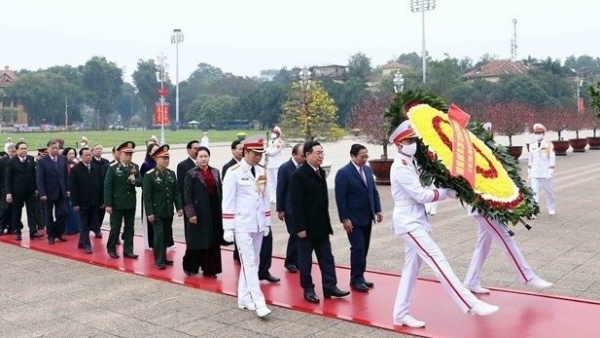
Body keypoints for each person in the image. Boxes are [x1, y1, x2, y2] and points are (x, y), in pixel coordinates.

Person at [388, 120, 499, 328]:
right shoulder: (400, 167)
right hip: (408, 222)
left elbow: (428, 180)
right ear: (398, 144)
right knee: (438, 260)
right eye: (408, 140)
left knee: (411, 268)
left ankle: (400, 313)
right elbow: (421, 195)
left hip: (415, 220)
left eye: (413, 139)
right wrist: (446, 193)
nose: (412, 143)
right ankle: (470, 303)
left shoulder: (411, 161)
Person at [291, 140, 350, 304]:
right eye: (318, 153)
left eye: (322, 153)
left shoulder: (321, 172)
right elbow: (296, 204)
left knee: (327, 257)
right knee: (305, 261)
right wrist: (300, 227)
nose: (321, 156)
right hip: (306, 228)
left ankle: (330, 286)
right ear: (308, 154)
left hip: (321, 225)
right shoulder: (299, 175)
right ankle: (308, 289)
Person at [221, 135, 272, 318]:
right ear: (246, 152)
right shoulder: (233, 172)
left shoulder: (261, 170)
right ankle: (259, 302)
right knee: (249, 263)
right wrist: (227, 228)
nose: (258, 157)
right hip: (241, 224)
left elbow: (265, 198)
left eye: (260, 154)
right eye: (255, 154)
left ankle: (243, 298)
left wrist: (267, 222)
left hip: (258, 223)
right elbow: (227, 201)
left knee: (253, 262)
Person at [463, 206, 553, 294]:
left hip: (486, 205)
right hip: (483, 207)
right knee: (505, 239)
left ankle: (471, 281)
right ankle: (527, 276)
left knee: (483, 244)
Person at [334, 144, 383, 293]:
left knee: (364, 249)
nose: (365, 159)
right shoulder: (343, 173)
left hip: (367, 217)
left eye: (366, 156)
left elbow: (373, 192)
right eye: (362, 156)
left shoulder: (367, 170)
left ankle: (360, 276)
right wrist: (345, 219)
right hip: (353, 219)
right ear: (353, 156)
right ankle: (355, 280)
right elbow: (340, 199)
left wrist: (378, 210)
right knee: (358, 248)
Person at [183, 146, 223, 277]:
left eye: (206, 156)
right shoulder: (191, 174)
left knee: (212, 241)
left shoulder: (216, 172)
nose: (204, 159)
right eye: (201, 156)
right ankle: (191, 266)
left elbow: (220, 192)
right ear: (196, 158)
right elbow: (187, 196)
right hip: (199, 212)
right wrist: (191, 214)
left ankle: (210, 269)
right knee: (198, 240)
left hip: (214, 211)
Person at [143, 145, 183, 270]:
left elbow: (176, 193)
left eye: (167, 158)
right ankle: (159, 260)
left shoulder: (171, 174)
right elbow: (147, 196)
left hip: (168, 210)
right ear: (156, 158)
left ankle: (163, 257)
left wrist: (179, 207)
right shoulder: (149, 175)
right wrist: (149, 212)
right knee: (159, 235)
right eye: (163, 158)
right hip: (156, 211)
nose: (166, 160)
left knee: (166, 235)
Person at [104, 141, 142, 259]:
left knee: (129, 227)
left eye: (130, 154)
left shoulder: (135, 167)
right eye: (126, 154)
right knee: (115, 227)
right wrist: (108, 204)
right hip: (117, 203)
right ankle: (111, 248)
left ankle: (128, 250)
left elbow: (141, 182)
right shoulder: (113, 168)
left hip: (130, 203)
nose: (129, 157)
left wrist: (134, 181)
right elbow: (108, 186)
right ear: (120, 154)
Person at [5, 142, 44, 241]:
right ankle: (17, 231)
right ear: (17, 150)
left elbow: (34, 175)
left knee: (31, 211)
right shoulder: (11, 162)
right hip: (16, 192)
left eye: (25, 148)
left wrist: (36, 188)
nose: (24, 150)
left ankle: (33, 231)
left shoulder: (31, 159)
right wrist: (8, 193)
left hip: (30, 191)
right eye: (22, 149)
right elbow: (8, 179)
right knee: (17, 212)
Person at [276, 142, 305, 273]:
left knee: (303, 235)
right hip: (290, 208)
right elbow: (280, 189)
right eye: (302, 155)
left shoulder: (306, 167)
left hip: (303, 208)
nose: (304, 158)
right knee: (294, 234)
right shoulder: (285, 168)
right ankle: (290, 261)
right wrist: (280, 209)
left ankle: (299, 260)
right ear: (294, 154)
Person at [69, 147, 104, 254]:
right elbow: (73, 188)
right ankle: (87, 245)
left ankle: (81, 242)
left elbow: (100, 185)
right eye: (86, 155)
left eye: (90, 155)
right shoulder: (75, 169)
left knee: (89, 223)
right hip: (82, 202)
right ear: (80, 157)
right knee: (83, 224)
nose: (88, 157)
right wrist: (75, 203)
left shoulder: (96, 168)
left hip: (94, 202)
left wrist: (102, 201)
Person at [37, 139, 70, 245]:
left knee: (63, 213)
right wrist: (42, 193)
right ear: (48, 149)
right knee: (48, 216)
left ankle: (58, 232)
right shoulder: (42, 161)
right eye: (53, 148)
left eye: (57, 148)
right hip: (47, 193)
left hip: (61, 191)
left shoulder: (62, 159)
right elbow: (40, 178)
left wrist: (68, 189)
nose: (56, 150)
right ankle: (51, 236)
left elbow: (65, 175)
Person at [528, 123, 556, 215]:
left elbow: (552, 158)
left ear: (543, 134)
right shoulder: (532, 146)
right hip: (535, 173)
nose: (537, 134)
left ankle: (551, 208)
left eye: (539, 133)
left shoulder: (548, 145)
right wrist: (529, 172)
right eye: (536, 133)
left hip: (545, 173)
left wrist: (550, 172)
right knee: (534, 192)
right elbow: (530, 160)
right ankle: (534, 210)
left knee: (549, 192)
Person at [141, 143, 159, 250]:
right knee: (150, 220)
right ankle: (150, 243)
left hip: (160, 197)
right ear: (149, 152)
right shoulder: (146, 165)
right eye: (154, 150)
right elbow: (144, 182)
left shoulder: (161, 163)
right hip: (149, 196)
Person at [91, 144, 109, 238]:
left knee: (102, 210)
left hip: (104, 189)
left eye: (100, 149)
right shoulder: (90, 162)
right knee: (94, 211)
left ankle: (98, 227)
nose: (98, 150)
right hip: (93, 190)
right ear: (92, 151)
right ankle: (96, 229)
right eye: (96, 149)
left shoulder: (106, 162)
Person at [63, 147, 80, 235]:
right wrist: (67, 190)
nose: (71, 155)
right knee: (68, 210)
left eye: (73, 153)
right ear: (66, 155)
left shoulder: (77, 164)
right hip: (67, 190)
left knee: (76, 211)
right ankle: (68, 229)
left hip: (75, 190)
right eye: (70, 154)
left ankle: (76, 228)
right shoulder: (63, 164)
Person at [0, 144, 16, 235]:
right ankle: (1, 227)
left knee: (13, 210)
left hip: (15, 190)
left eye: (15, 151)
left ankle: (11, 227)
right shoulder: (2, 161)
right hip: (4, 190)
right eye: (12, 151)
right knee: (4, 209)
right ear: (8, 152)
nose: (14, 153)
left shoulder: (17, 161)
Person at [266, 126, 284, 204]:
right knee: (271, 182)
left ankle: (277, 197)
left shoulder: (279, 141)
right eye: (272, 132)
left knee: (277, 182)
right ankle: (272, 196)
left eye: (274, 132)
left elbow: (273, 152)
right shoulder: (270, 142)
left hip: (277, 164)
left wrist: (267, 151)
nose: (273, 134)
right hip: (270, 164)